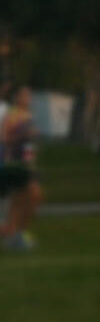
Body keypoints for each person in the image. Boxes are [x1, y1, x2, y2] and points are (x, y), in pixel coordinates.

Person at [0, 86, 43, 251]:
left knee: (31, 197)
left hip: (25, 166)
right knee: (28, 197)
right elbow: (4, 138)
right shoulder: (10, 114)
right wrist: (22, 135)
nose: (28, 97)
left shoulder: (28, 116)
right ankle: (15, 234)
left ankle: (16, 234)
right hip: (11, 165)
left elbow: (29, 145)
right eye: (24, 94)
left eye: (29, 95)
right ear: (16, 97)